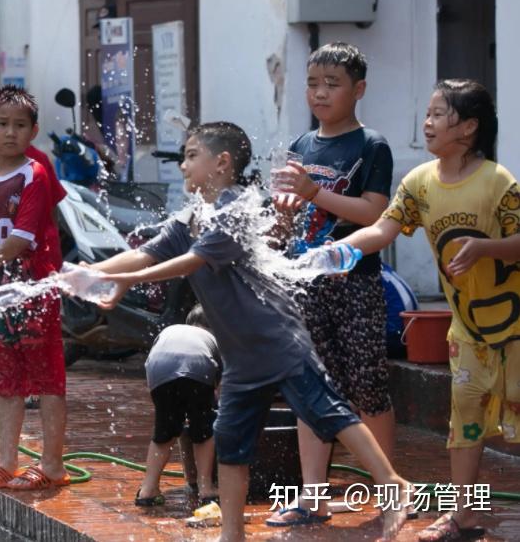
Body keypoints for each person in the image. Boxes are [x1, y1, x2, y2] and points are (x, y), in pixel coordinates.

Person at [88, 122, 411, 541]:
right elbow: (143, 253)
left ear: (221, 163)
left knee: (326, 411)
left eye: (190, 156)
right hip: (241, 355)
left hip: (277, 339)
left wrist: (125, 282)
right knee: (231, 440)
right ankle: (232, 533)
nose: (182, 166)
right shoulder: (190, 218)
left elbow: (191, 263)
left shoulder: (236, 210)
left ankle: (394, 484)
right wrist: (89, 272)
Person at [331, 80, 520, 542]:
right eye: (428, 113)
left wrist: (485, 248)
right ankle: (463, 515)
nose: (427, 123)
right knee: (465, 423)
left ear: (469, 128)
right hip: (468, 331)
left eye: (439, 114)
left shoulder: (497, 182)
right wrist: (334, 254)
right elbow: (379, 231)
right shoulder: (419, 183)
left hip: (515, 330)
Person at [266, 42, 397, 526]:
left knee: (367, 389)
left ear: (358, 90)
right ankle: (311, 496)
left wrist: (313, 193)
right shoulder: (302, 146)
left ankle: (389, 492)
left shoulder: (371, 145)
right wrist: (282, 218)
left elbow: (373, 213)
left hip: (355, 283)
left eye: (332, 84)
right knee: (311, 389)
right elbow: (288, 217)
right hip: (308, 284)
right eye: (313, 83)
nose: (320, 93)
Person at [0, 86, 68, 493]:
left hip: (34, 290)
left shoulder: (35, 173)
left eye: (20, 125)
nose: (10, 133)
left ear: (34, 131)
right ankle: (7, 462)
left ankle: (53, 464)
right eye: (2, 124)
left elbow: (23, 237)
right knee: (6, 380)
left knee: (45, 379)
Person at [135, 305, 220, 511]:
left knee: (164, 432)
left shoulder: (173, 330)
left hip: (158, 368)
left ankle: (148, 489)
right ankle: (205, 487)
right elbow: (221, 387)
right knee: (204, 431)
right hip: (198, 365)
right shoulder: (216, 339)